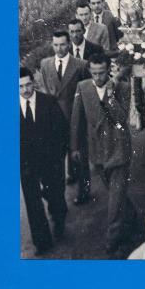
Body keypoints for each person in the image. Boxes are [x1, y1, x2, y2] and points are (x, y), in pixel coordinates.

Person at [70, 53, 135, 255]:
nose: (98, 77)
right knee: (117, 193)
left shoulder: (122, 88)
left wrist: (109, 95)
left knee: (114, 200)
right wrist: (74, 147)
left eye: (102, 73)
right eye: (94, 73)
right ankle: (133, 218)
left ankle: (112, 240)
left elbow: (121, 118)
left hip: (118, 150)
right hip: (96, 151)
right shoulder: (83, 87)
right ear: (90, 71)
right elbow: (76, 120)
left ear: (109, 70)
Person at [20, 67, 68, 256]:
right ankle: (42, 242)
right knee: (33, 202)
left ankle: (59, 216)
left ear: (34, 82)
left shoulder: (48, 102)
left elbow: (62, 130)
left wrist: (58, 156)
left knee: (55, 195)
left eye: (28, 84)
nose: (25, 90)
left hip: (50, 160)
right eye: (20, 86)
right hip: (25, 164)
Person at [39, 30, 90, 197]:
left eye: (62, 44)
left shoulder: (81, 65)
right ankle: (61, 188)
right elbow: (46, 90)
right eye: (55, 45)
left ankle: (84, 191)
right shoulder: (45, 64)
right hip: (55, 120)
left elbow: (86, 91)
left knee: (79, 155)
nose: (59, 48)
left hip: (75, 118)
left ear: (69, 44)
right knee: (56, 157)